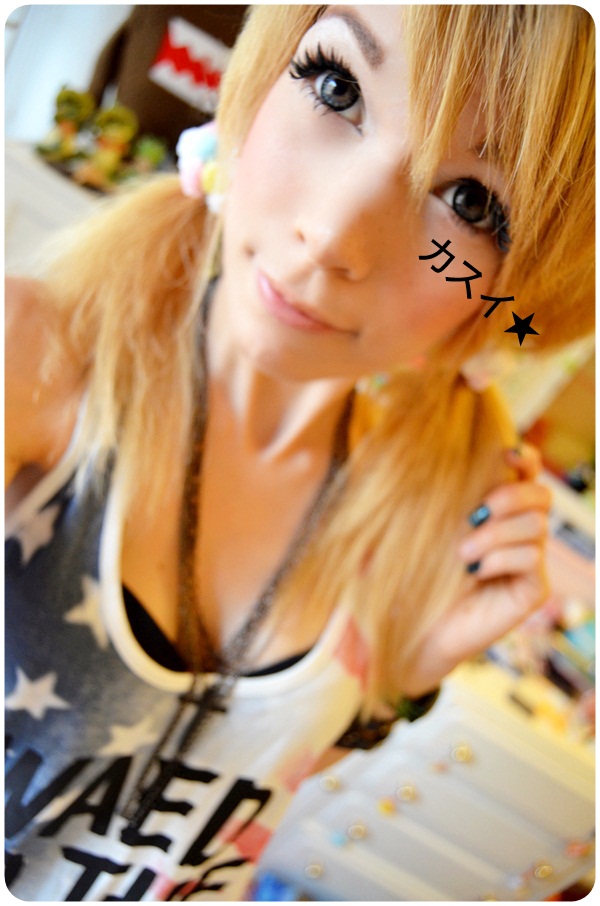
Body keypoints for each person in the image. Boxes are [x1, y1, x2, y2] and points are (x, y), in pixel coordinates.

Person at [5, 4, 594, 902]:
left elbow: (220, 804)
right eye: (334, 85)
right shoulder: (30, 359)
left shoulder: (404, 528)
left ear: (507, 305)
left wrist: (406, 675)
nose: (332, 234)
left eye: (471, 203)